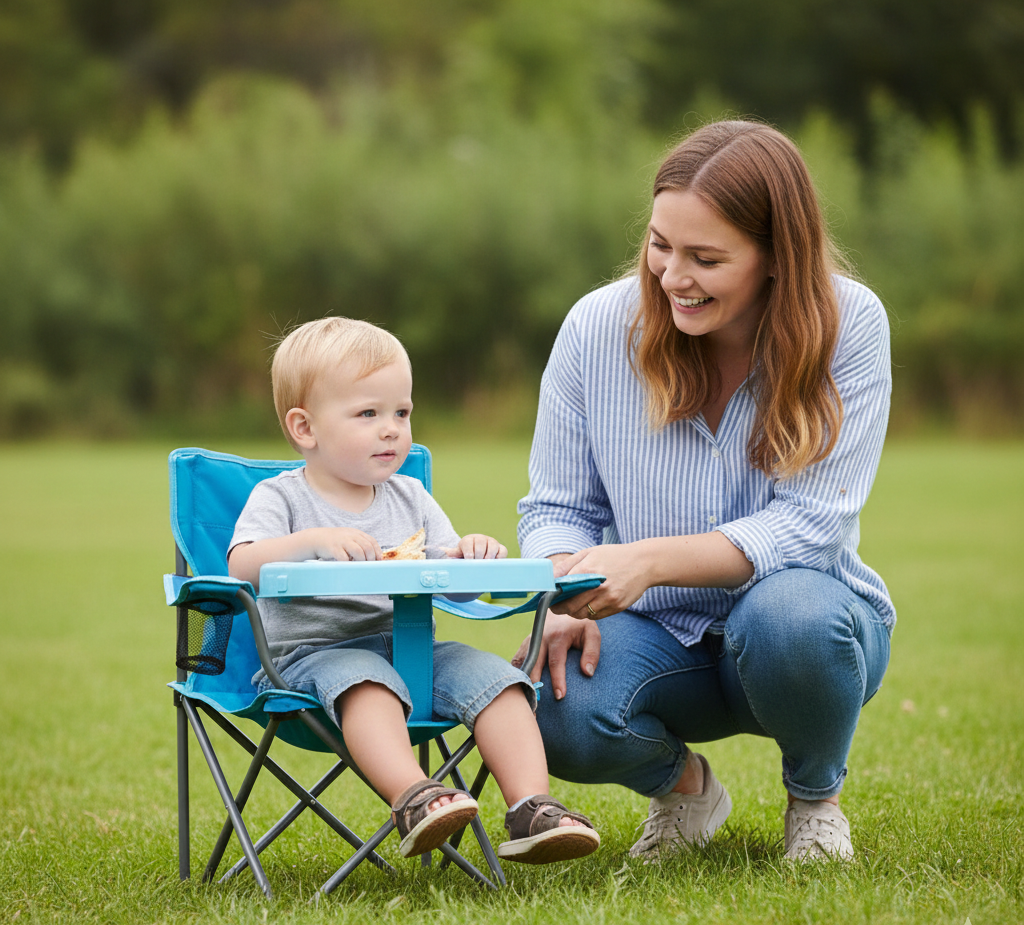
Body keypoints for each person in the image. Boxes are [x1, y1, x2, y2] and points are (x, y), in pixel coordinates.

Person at [515, 121, 894, 862]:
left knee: (789, 617)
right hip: (653, 632)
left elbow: (810, 525)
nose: (671, 277)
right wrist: (559, 594)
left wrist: (649, 560)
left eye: (706, 258)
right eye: (661, 245)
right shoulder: (596, 328)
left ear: (776, 257)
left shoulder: (850, 323)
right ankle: (685, 791)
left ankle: (815, 802)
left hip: (805, 628)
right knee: (549, 701)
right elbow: (559, 507)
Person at [229, 316, 599, 865]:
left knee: (500, 682)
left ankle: (530, 808)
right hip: (312, 660)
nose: (392, 430)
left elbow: (451, 582)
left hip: (416, 653)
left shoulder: (411, 497)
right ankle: (415, 799)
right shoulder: (281, 498)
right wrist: (310, 542)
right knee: (367, 683)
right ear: (305, 428)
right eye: (368, 414)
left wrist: (469, 554)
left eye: (401, 412)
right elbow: (241, 564)